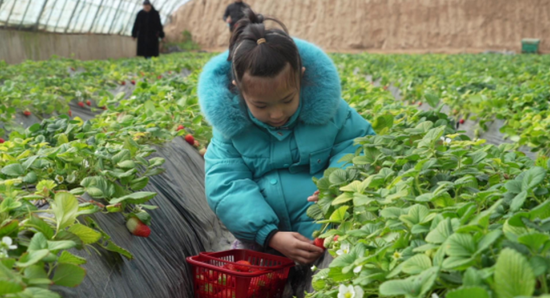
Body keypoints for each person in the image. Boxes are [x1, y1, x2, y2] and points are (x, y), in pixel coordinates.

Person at [198, 8, 375, 296]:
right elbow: (227, 185)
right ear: (237, 90)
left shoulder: (332, 114)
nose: (277, 113)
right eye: (261, 106)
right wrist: (270, 234)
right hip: (263, 244)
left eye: (287, 100)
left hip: (326, 232)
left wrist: (336, 185)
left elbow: (357, 144)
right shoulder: (231, 131)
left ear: (301, 78)